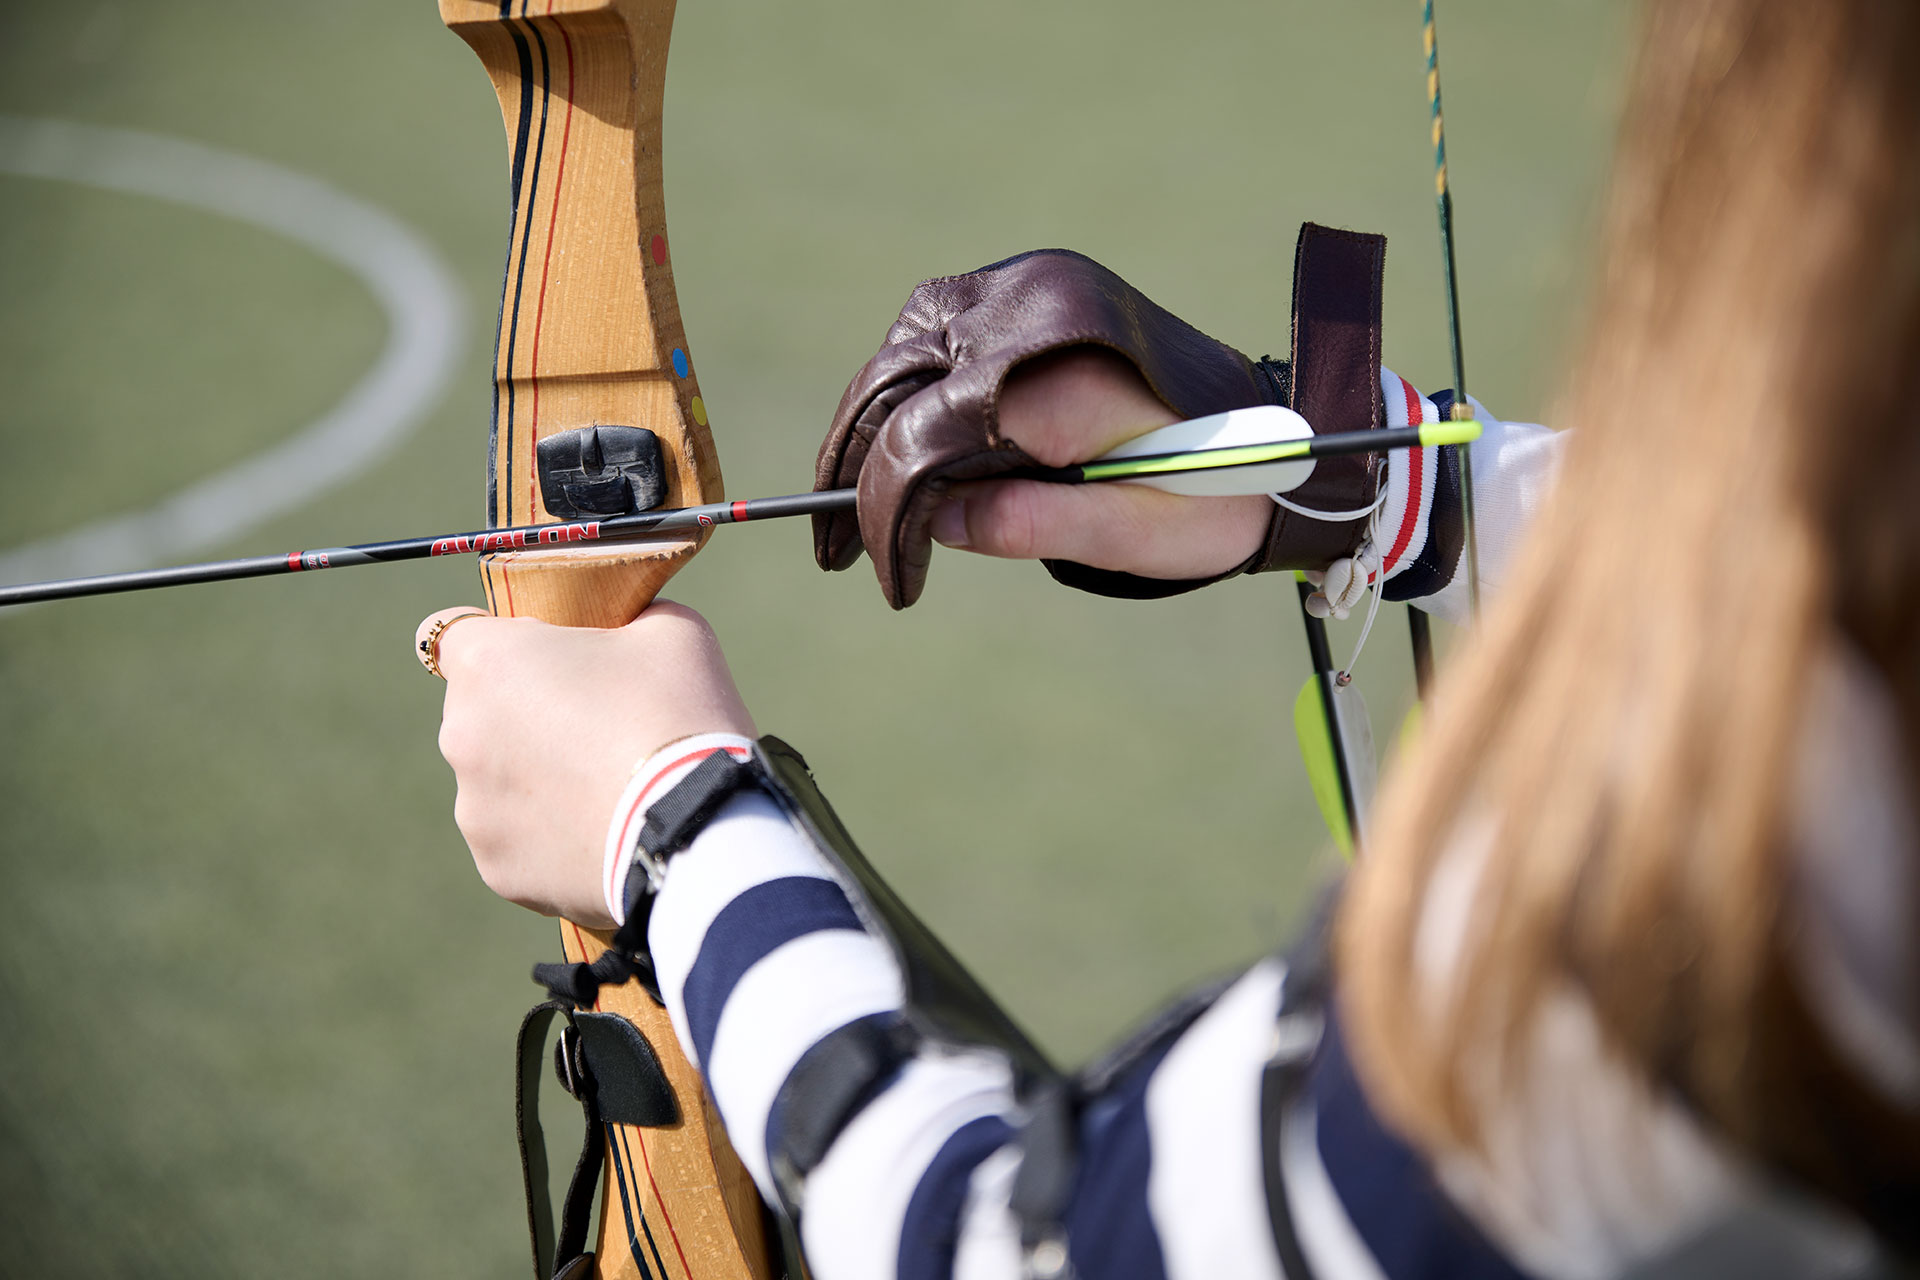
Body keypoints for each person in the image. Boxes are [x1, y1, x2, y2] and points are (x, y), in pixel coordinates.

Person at [418, 0, 1918, 1275]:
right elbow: (1801, 571)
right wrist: (1347, 480)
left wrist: (673, 824)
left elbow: (1003, 1247)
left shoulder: (1740, 903)